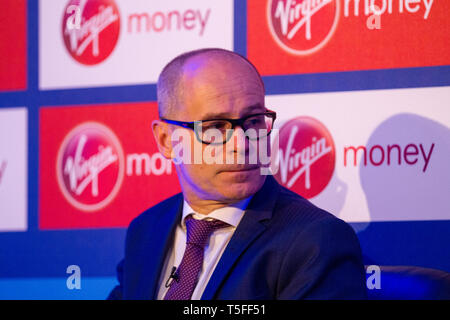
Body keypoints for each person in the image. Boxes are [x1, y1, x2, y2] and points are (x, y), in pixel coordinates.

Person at [107, 48, 367, 300]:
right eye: (215, 127)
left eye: (254, 120)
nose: (242, 145)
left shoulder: (315, 242)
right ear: (166, 140)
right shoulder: (146, 230)